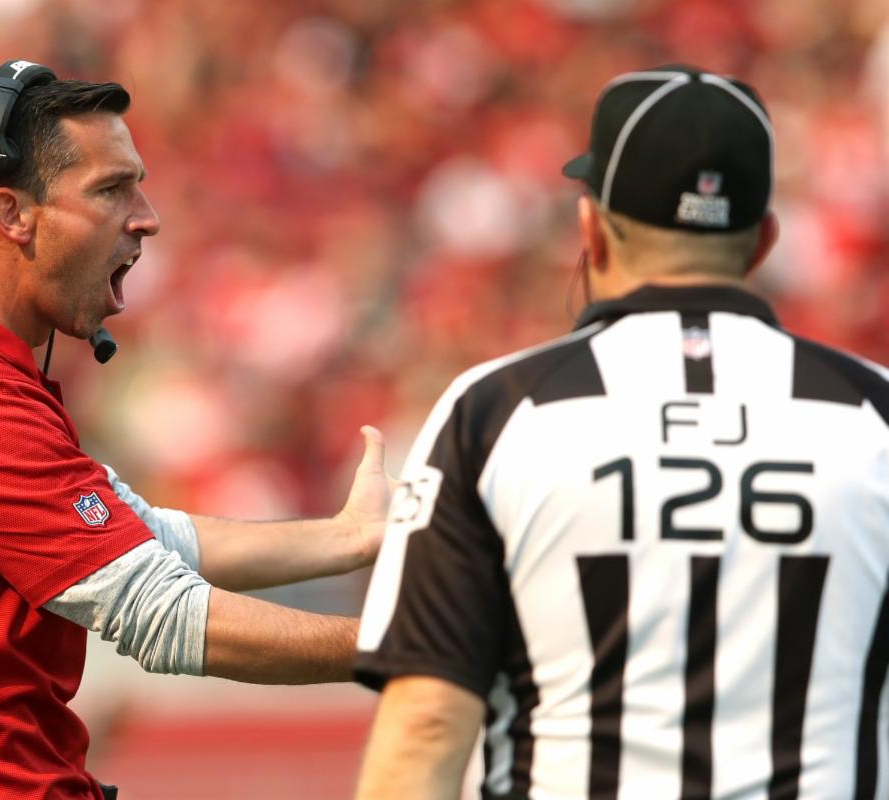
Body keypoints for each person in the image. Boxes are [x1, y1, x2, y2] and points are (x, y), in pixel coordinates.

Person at [0, 61, 393, 800]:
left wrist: (347, 538)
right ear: (12, 214)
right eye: (112, 189)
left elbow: (144, 539)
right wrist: (416, 645)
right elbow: (162, 613)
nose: (147, 217)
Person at [352, 64, 889, 799]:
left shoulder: (498, 412)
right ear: (763, 240)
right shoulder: (873, 413)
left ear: (593, 230)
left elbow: (426, 726)